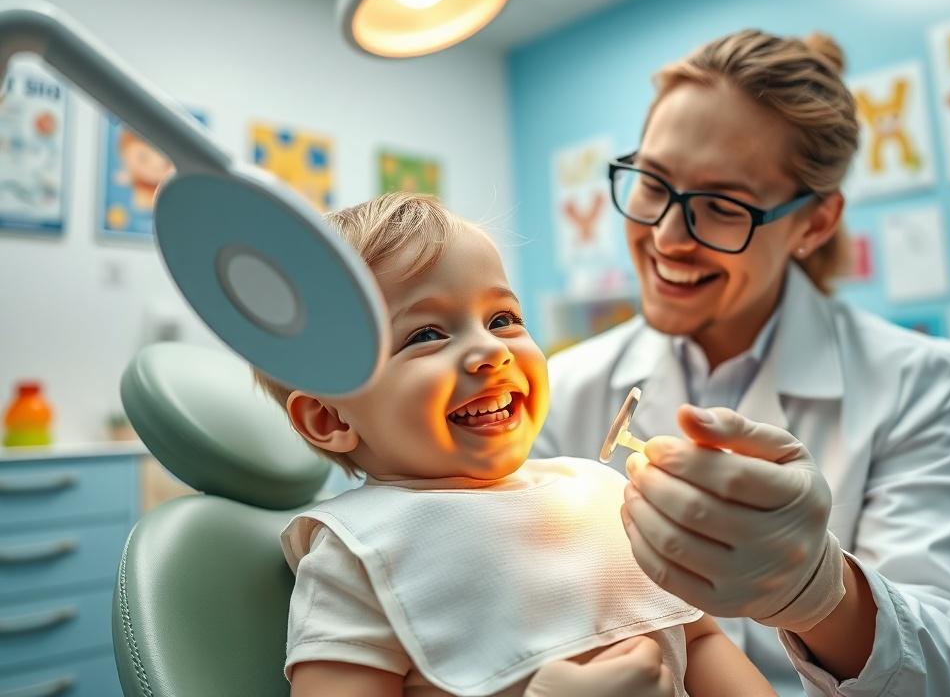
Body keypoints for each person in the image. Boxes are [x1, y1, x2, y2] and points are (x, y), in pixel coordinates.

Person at [534, 29, 950, 696]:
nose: (666, 238)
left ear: (814, 224)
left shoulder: (919, 380)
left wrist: (823, 595)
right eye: (652, 183)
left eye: (720, 206)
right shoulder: (567, 387)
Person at [253, 193, 776, 697]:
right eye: (426, 335)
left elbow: (701, 640)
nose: (491, 351)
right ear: (327, 417)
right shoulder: (358, 556)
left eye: (502, 319)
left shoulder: (598, 494)